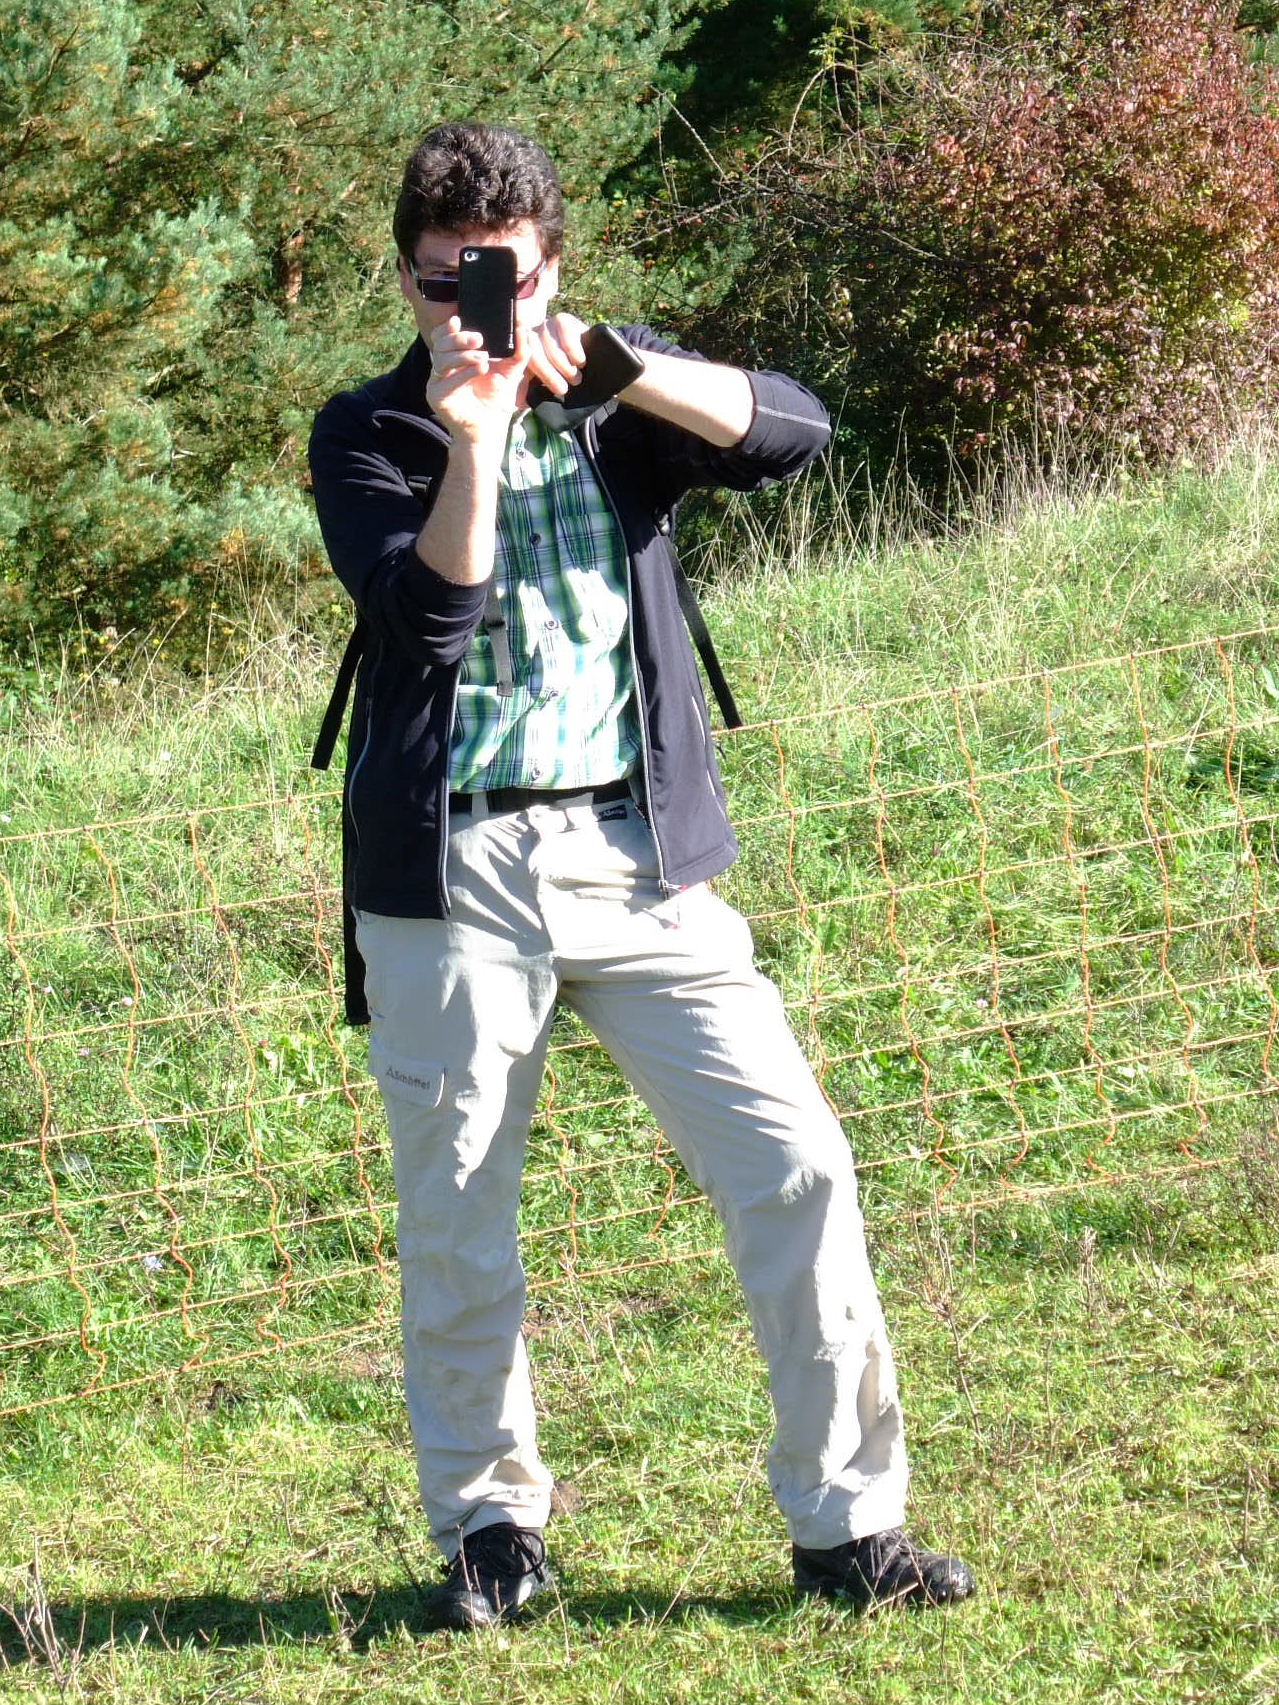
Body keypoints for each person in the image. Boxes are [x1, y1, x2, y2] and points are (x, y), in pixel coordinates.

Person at [308, 120, 976, 1631]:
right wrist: (474, 438)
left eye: (501, 277)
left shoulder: (618, 396)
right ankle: (492, 1531)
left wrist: (623, 372)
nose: (471, 307)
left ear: (552, 266)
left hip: (638, 853)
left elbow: (795, 433)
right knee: (461, 1214)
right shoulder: (369, 432)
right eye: (442, 282)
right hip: (453, 863)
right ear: (406, 280)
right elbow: (426, 625)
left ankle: (848, 1527)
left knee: (797, 1160)